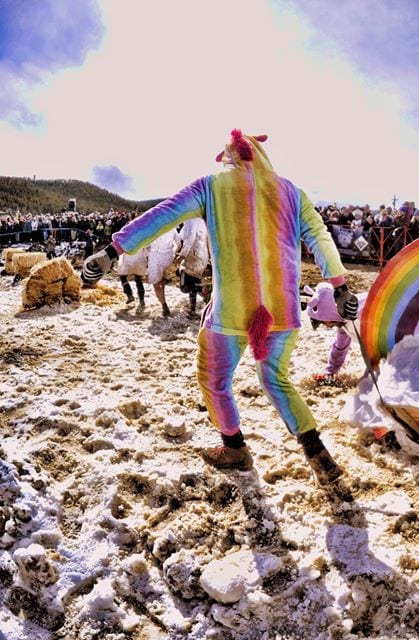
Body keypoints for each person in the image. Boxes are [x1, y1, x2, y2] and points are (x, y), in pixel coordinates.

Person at [81, 129, 358, 488]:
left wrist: (113, 250)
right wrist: (340, 287)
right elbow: (320, 238)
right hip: (283, 308)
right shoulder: (293, 192)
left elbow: (163, 215)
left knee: (213, 380)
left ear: (230, 159)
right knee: (276, 379)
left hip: (231, 310)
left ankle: (234, 447)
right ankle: (318, 453)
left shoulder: (211, 187)